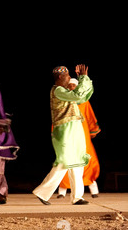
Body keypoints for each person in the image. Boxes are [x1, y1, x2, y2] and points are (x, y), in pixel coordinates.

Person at [33, 64, 94, 205]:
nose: (69, 78)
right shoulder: (58, 90)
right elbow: (77, 94)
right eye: (67, 76)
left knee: (77, 162)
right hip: (65, 130)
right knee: (65, 161)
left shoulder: (65, 92)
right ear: (60, 77)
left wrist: (84, 78)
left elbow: (83, 97)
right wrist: (83, 78)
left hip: (75, 127)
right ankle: (42, 191)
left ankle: (77, 197)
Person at [57, 78, 101, 198]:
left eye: (73, 85)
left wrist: (93, 129)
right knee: (66, 159)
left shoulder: (84, 101)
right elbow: (58, 118)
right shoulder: (63, 101)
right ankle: (62, 190)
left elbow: (90, 116)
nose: (71, 87)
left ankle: (93, 187)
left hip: (82, 133)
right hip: (68, 134)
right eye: (69, 85)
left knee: (86, 158)